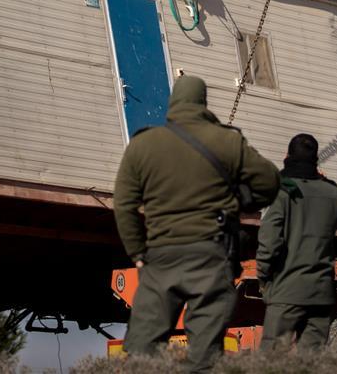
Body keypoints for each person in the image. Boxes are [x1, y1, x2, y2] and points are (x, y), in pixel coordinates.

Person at [114, 75, 280, 372]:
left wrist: (138, 254)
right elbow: (269, 182)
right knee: (204, 357)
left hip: (160, 259)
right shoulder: (228, 141)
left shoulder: (144, 145)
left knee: (141, 352)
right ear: (203, 102)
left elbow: (124, 205)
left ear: (173, 103)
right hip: (212, 258)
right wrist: (239, 203)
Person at [256, 133, 337, 351]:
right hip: (320, 295)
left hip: (285, 291)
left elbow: (269, 242)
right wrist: (327, 183)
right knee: (310, 363)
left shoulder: (281, 192)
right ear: (315, 161)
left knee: (271, 361)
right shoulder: (332, 192)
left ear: (287, 155)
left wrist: (264, 278)